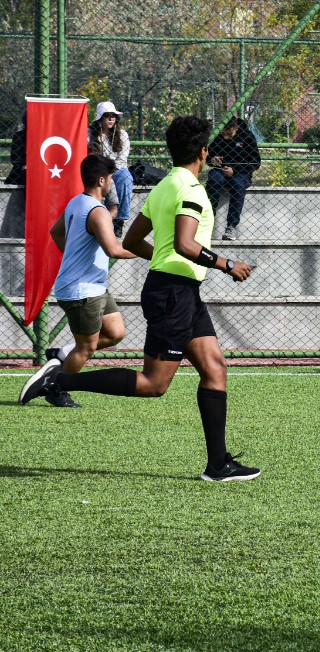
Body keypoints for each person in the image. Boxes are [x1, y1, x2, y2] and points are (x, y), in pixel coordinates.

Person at [20, 116, 261, 482]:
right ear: (203, 151)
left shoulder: (165, 186)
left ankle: (218, 465)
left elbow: (132, 242)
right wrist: (228, 264)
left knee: (215, 369)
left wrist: (164, 261)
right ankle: (61, 380)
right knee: (154, 384)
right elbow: (185, 243)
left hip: (179, 290)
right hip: (174, 294)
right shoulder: (192, 191)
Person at [39, 154, 139, 408]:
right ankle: (56, 388)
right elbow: (114, 250)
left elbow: (56, 232)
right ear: (101, 180)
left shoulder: (76, 202)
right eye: (112, 180)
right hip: (82, 290)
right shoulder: (97, 212)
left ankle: (60, 355)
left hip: (92, 286)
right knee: (87, 348)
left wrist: (73, 256)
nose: (113, 185)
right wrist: (154, 251)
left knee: (116, 333)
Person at [205, 117, 260, 241]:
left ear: (237, 128)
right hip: (221, 171)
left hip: (241, 173)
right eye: (224, 133)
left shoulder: (247, 136)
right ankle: (207, 218)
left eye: (229, 134)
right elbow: (209, 156)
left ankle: (231, 226)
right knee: (214, 179)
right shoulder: (219, 136)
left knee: (237, 183)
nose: (226, 137)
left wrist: (235, 171)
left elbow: (256, 162)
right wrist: (212, 160)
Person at [87, 101, 133, 238]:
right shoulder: (90, 134)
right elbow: (90, 156)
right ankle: (101, 219)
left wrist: (111, 173)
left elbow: (122, 158)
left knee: (125, 177)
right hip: (98, 169)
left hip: (117, 169)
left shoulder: (122, 134)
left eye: (114, 116)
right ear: (100, 118)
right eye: (107, 116)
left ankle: (119, 220)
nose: (111, 119)